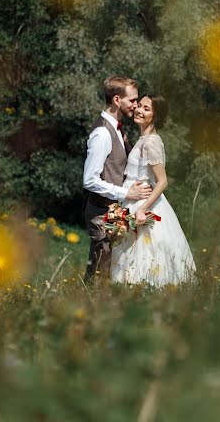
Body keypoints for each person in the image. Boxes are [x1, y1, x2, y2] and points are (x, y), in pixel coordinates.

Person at [111, 94, 196, 287]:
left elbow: (162, 181)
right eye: (139, 105)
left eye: (146, 109)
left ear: (155, 116)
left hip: (143, 205)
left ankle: (144, 297)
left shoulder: (151, 142)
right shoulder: (143, 139)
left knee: (145, 256)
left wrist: (142, 210)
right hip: (131, 201)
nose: (139, 110)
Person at [83, 76, 152, 283]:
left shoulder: (117, 129)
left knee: (106, 275)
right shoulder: (103, 133)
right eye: (132, 100)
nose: (136, 105)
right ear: (116, 100)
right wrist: (126, 193)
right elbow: (89, 180)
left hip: (113, 214)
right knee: (98, 275)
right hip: (100, 215)